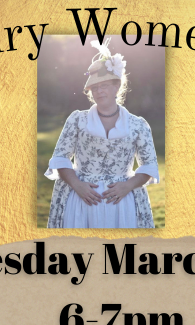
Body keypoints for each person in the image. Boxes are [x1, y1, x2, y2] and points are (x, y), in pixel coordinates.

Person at [45, 38, 159, 228]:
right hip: (82, 201)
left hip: (122, 204)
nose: (99, 91)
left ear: (117, 86)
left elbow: (149, 166)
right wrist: (78, 185)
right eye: (95, 87)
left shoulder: (137, 125)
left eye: (104, 85)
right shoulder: (77, 120)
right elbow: (60, 159)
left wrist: (128, 186)